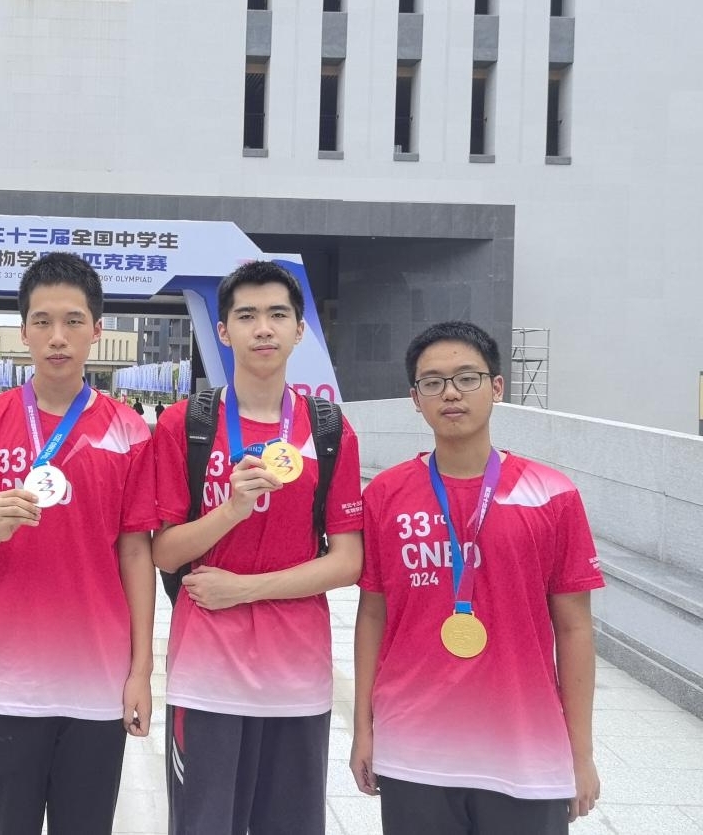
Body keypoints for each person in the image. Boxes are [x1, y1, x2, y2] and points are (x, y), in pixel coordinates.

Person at [0, 252, 157, 835]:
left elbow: (136, 554)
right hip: (4, 680)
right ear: (24, 330)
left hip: (97, 678)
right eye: (42, 321)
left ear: (97, 330)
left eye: (73, 321)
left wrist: (141, 670)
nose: (58, 337)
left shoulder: (129, 430)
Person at [351, 321, 603, 834]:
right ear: (415, 399)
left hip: (526, 754)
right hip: (412, 748)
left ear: (497, 387)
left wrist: (581, 754)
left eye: (468, 378)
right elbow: (373, 614)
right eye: (433, 382)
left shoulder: (551, 494)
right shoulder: (385, 495)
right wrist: (363, 729)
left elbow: (575, 627)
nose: (451, 393)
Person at [148, 261, 364, 835]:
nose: (263, 328)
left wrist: (244, 589)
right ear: (223, 331)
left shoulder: (329, 430)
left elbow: (348, 561)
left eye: (277, 315)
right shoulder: (186, 424)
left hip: (298, 676)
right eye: (246, 316)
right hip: (206, 674)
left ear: (299, 330)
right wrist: (230, 511)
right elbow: (164, 553)